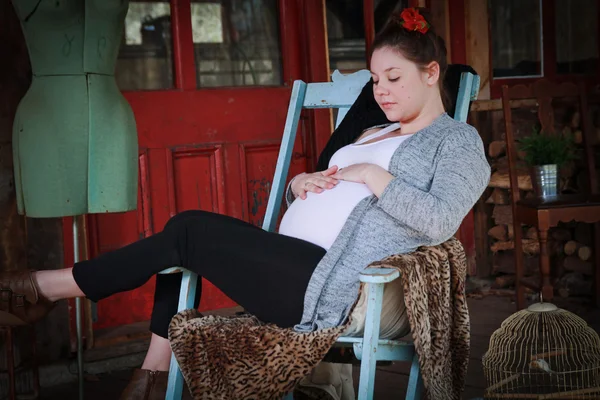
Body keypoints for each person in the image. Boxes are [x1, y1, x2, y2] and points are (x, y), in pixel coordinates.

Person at [0, 8, 490, 400]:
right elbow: (335, 182)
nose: (380, 91)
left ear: (431, 74)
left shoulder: (457, 141)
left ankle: (48, 290)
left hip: (336, 285)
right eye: (376, 80)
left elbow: (441, 220)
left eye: (393, 78)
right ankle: (146, 370)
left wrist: (372, 174)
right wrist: (303, 182)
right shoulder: (374, 128)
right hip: (292, 264)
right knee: (184, 232)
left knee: (188, 231)